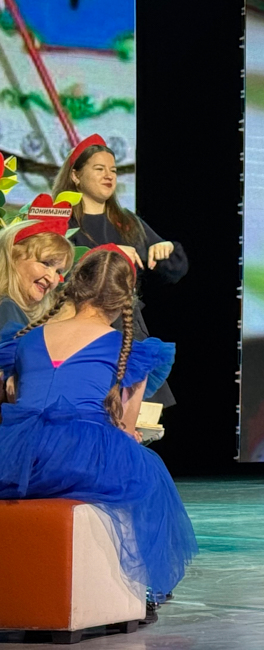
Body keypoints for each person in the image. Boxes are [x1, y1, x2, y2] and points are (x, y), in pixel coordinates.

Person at [0, 245, 196, 605]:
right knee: (146, 474)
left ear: (74, 285)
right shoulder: (128, 349)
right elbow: (124, 428)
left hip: (17, 455)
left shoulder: (25, 339)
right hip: (81, 458)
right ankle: (146, 588)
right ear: (126, 299)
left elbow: (15, 402)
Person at [53, 134, 187, 405]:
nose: (109, 176)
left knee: (135, 416)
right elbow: (56, 271)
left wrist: (167, 249)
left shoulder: (126, 222)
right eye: (99, 169)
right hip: (79, 331)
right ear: (76, 176)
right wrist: (108, 253)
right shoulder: (62, 222)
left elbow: (173, 270)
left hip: (127, 331)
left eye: (113, 170)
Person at [0, 210, 76, 403]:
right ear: (13, 256)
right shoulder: (6, 309)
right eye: (46, 263)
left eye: (58, 271)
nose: (52, 278)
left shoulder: (16, 310)